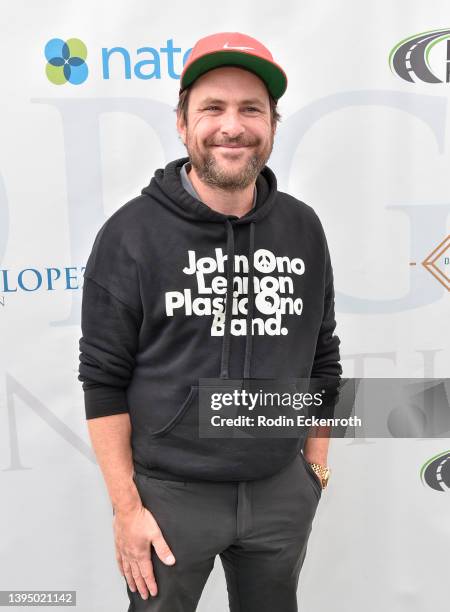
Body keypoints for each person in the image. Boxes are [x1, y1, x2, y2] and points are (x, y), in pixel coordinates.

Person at [78, 31, 342, 612]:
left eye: (251, 109)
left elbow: (323, 357)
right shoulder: (132, 234)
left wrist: (314, 470)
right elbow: (102, 382)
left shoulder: (303, 228)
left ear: (272, 124)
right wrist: (127, 509)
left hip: (279, 492)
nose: (232, 126)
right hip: (169, 499)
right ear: (182, 122)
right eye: (213, 108)